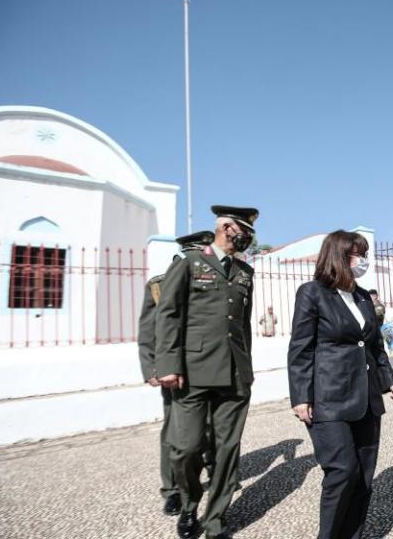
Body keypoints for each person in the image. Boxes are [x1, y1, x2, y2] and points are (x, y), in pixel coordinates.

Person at [287, 230, 393, 538]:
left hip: (366, 397)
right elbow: (300, 348)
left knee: (364, 475)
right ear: (339, 256)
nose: (364, 261)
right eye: (358, 254)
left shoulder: (364, 296)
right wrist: (301, 396)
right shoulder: (312, 293)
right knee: (342, 471)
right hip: (329, 397)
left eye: (365, 254)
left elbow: (375, 346)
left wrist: (390, 380)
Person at [155, 206, 258, 539]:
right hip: (193, 373)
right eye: (244, 229)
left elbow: (243, 326)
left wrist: (247, 368)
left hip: (234, 375)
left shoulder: (245, 272)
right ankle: (188, 504)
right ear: (226, 228)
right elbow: (168, 315)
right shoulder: (189, 263)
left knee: (227, 449)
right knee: (186, 447)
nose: (248, 237)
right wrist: (168, 365)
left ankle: (215, 520)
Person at [138, 230, 215, 518]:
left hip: (208, 366)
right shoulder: (158, 285)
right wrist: (153, 368)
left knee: (210, 426)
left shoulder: (214, 283)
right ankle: (172, 490)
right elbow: (149, 330)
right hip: (175, 371)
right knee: (175, 430)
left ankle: (211, 471)